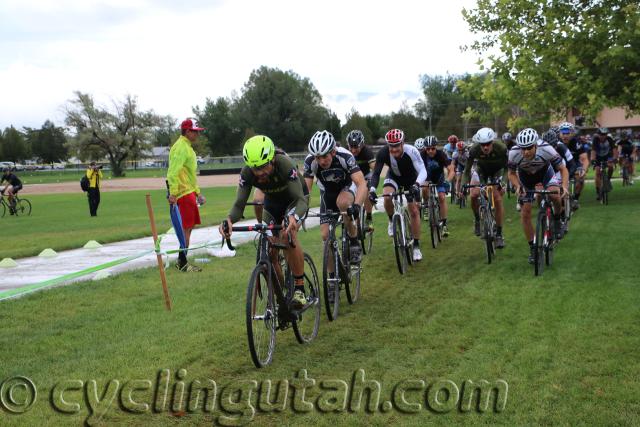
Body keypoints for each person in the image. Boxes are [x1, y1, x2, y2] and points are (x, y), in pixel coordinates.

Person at [220, 135, 309, 308]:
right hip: (273, 202)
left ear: (272, 159)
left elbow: (300, 201)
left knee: (287, 235)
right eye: (255, 168)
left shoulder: (285, 164)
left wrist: (294, 217)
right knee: (269, 251)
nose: (259, 172)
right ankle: (281, 298)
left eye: (262, 166)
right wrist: (229, 220)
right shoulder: (247, 173)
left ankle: (300, 289)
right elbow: (239, 204)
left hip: (295, 200)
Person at [304, 130, 368, 267]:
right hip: (327, 193)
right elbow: (306, 191)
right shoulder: (310, 161)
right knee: (325, 235)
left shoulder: (345, 156)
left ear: (332, 151)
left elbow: (361, 183)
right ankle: (332, 279)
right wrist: (300, 211)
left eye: (324, 156)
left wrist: (357, 205)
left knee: (343, 203)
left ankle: (353, 240)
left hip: (346, 187)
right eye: (317, 157)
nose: (321, 161)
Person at [508, 128, 569, 263]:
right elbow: (511, 173)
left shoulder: (547, 149)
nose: (526, 152)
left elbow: (563, 169)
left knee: (555, 196)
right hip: (525, 178)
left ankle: (558, 219)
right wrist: (518, 186)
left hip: (545, 173)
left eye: (529, 148)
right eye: (523, 148)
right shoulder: (513, 153)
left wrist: (564, 186)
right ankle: (534, 248)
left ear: (536, 144)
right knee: (525, 213)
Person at [368, 129, 427, 261]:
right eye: (391, 146)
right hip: (394, 177)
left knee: (414, 211)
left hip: (411, 180)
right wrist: (372, 189)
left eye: (396, 145)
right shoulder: (383, 153)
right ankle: (391, 220)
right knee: (387, 197)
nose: (394, 149)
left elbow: (423, 171)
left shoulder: (411, 151)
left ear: (402, 143)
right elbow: (376, 173)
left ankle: (416, 246)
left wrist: (417, 185)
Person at [167, 118, 207, 272]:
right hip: (182, 193)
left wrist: (197, 193)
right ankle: (183, 263)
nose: (197, 134)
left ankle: (182, 261)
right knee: (186, 229)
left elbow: (190, 174)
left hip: (188, 192)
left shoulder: (187, 147)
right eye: (195, 131)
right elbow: (173, 172)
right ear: (187, 131)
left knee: (188, 228)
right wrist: (173, 193)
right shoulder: (181, 147)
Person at [459, 127, 508, 248]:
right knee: (474, 195)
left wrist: (504, 182)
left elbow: (508, 168)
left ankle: (499, 234)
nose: (485, 147)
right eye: (482, 145)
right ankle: (477, 219)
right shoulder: (474, 150)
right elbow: (466, 171)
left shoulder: (501, 148)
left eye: (488, 144)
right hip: (481, 170)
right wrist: (463, 186)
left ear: (492, 142)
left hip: (497, 171)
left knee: (497, 199)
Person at [416, 136, 454, 236]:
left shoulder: (441, 155)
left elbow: (451, 170)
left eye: (433, 148)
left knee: (441, 197)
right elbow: (417, 170)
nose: (430, 151)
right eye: (428, 149)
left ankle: (444, 225)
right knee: (424, 189)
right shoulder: (421, 155)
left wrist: (448, 180)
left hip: (439, 178)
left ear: (436, 147)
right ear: (425, 148)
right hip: (426, 177)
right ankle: (426, 206)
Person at [346, 130, 376, 225]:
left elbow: (375, 169)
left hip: (366, 175)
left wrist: (372, 185)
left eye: (356, 147)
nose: (353, 150)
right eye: (351, 146)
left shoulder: (367, 152)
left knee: (366, 192)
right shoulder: (346, 153)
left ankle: (369, 216)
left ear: (362, 144)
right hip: (353, 177)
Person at [558, 122, 588, 209]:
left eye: (568, 133)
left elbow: (584, 159)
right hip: (560, 164)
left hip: (574, 164)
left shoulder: (576, 142)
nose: (565, 136)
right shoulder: (556, 142)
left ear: (572, 133)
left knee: (580, 178)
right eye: (563, 133)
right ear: (559, 134)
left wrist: (583, 170)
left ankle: (575, 199)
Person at [590, 127, 617, 200]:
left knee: (611, 166)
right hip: (598, 157)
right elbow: (593, 151)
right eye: (601, 134)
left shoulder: (609, 139)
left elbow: (614, 150)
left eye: (604, 134)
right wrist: (593, 160)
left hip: (607, 156)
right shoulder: (595, 140)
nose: (603, 136)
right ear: (598, 134)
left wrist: (615, 158)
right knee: (597, 171)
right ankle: (598, 192)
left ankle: (608, 180)